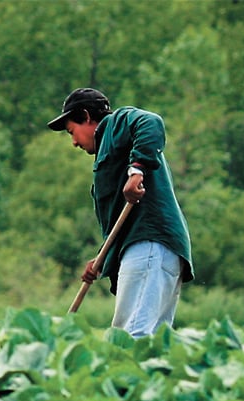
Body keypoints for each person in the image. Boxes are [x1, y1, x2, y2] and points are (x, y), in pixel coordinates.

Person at [47, 87, 194, 338]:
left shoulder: (115, 124)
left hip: (149, 243)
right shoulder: (110, 148)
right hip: (157, 247)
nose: (73, 142)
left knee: (132, 336)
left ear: (86, 116)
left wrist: (136, 170)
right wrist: (102, 258)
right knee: (154, 342)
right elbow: (121, 221)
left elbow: (151, 122)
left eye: (73, 131)